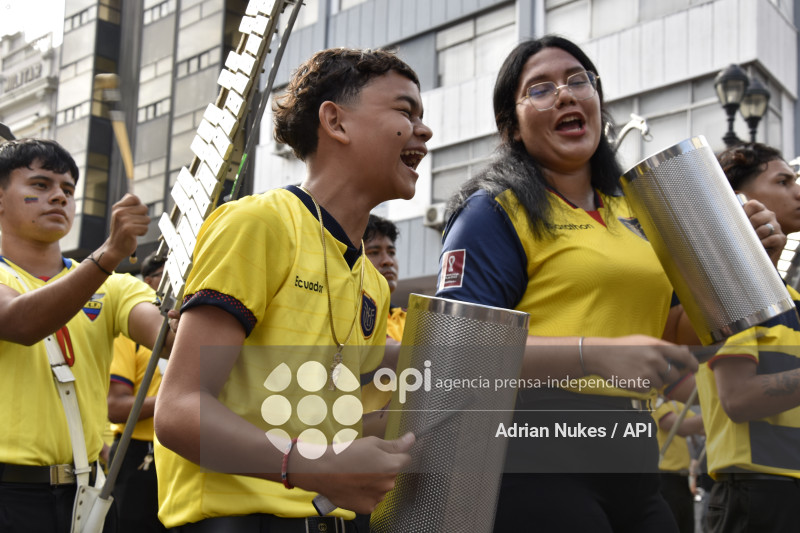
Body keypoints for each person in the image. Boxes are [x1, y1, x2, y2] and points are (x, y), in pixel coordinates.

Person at [154, 48, 432, 531]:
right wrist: (313, 466)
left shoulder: (370, 281)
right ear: (335, 122)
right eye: (405, 112)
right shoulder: (259, 223)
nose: (423, 132)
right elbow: (178, 411)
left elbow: (327, 425)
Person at [435, 35, 701, 532]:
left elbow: (673, 329)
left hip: (635, 456)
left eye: (579, 80)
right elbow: (460, 351)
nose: (565, 94)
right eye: (540, 88)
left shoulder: (637, 211)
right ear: (511, 127)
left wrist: (750, 269)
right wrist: (592, 354)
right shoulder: (493, 211)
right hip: (534, 454)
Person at [0, 138, 170, 532]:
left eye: (68, 190)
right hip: (9, 496)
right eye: (40, 186)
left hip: (87, 495)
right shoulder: (104, 269)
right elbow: (20, 322)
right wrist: (109, 253)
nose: (59, 197)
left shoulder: (114, 288)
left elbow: (170, 337)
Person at [691, 143, 800, 532]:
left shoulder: (791, 297)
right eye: (783, 181)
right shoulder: (730, 284)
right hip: (759, 495)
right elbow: (738, 398)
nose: (798, 191)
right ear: (740, 196)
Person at [107, 251, 169, 533]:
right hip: (138, 453)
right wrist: (175, 401)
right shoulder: (128, 332)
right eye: (166, 276)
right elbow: (116, 407)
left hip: (182, 452)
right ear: (148, 281)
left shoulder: (194, 324)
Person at [653, 396, 705, 533]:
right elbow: (682, 427)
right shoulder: (653, 401)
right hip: (664, 478)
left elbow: (701, 428)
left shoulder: (676, 404)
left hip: (682, 480)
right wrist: (717, 411)